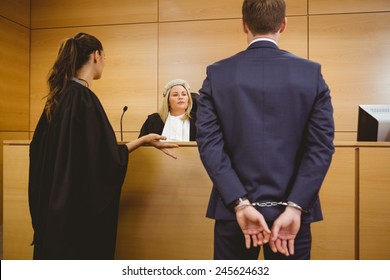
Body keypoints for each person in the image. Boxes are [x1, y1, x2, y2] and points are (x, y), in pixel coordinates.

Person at [196, 0, 334, 260]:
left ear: (244, 25)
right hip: (292, 216)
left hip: (234, 213)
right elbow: (320, 148)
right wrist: (295, 207)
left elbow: (209, 145)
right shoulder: (311, 74)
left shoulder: (217, 75)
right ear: (283, 24)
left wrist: (239, 203)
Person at [28, 32, 178, 260]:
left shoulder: (58, 98)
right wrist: (142, 141)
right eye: (105, 57)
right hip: (75, 217)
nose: (105, 63)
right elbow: (104, 160)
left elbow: (39, 153)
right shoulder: (84, 100)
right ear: (96, 56)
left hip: (52, 211)